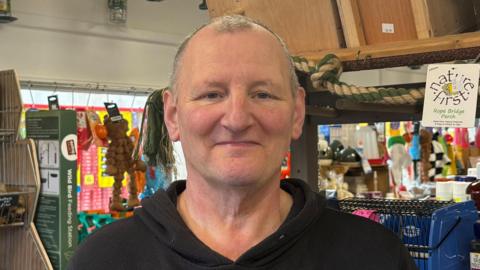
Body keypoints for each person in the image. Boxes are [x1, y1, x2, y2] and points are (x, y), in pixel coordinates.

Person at [69, 15, 417, 270]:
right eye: (211, 94)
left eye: (263, 94)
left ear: (297, 113)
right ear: (173, 116)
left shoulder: (374, 257)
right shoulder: (104, 260)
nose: (236, 119)